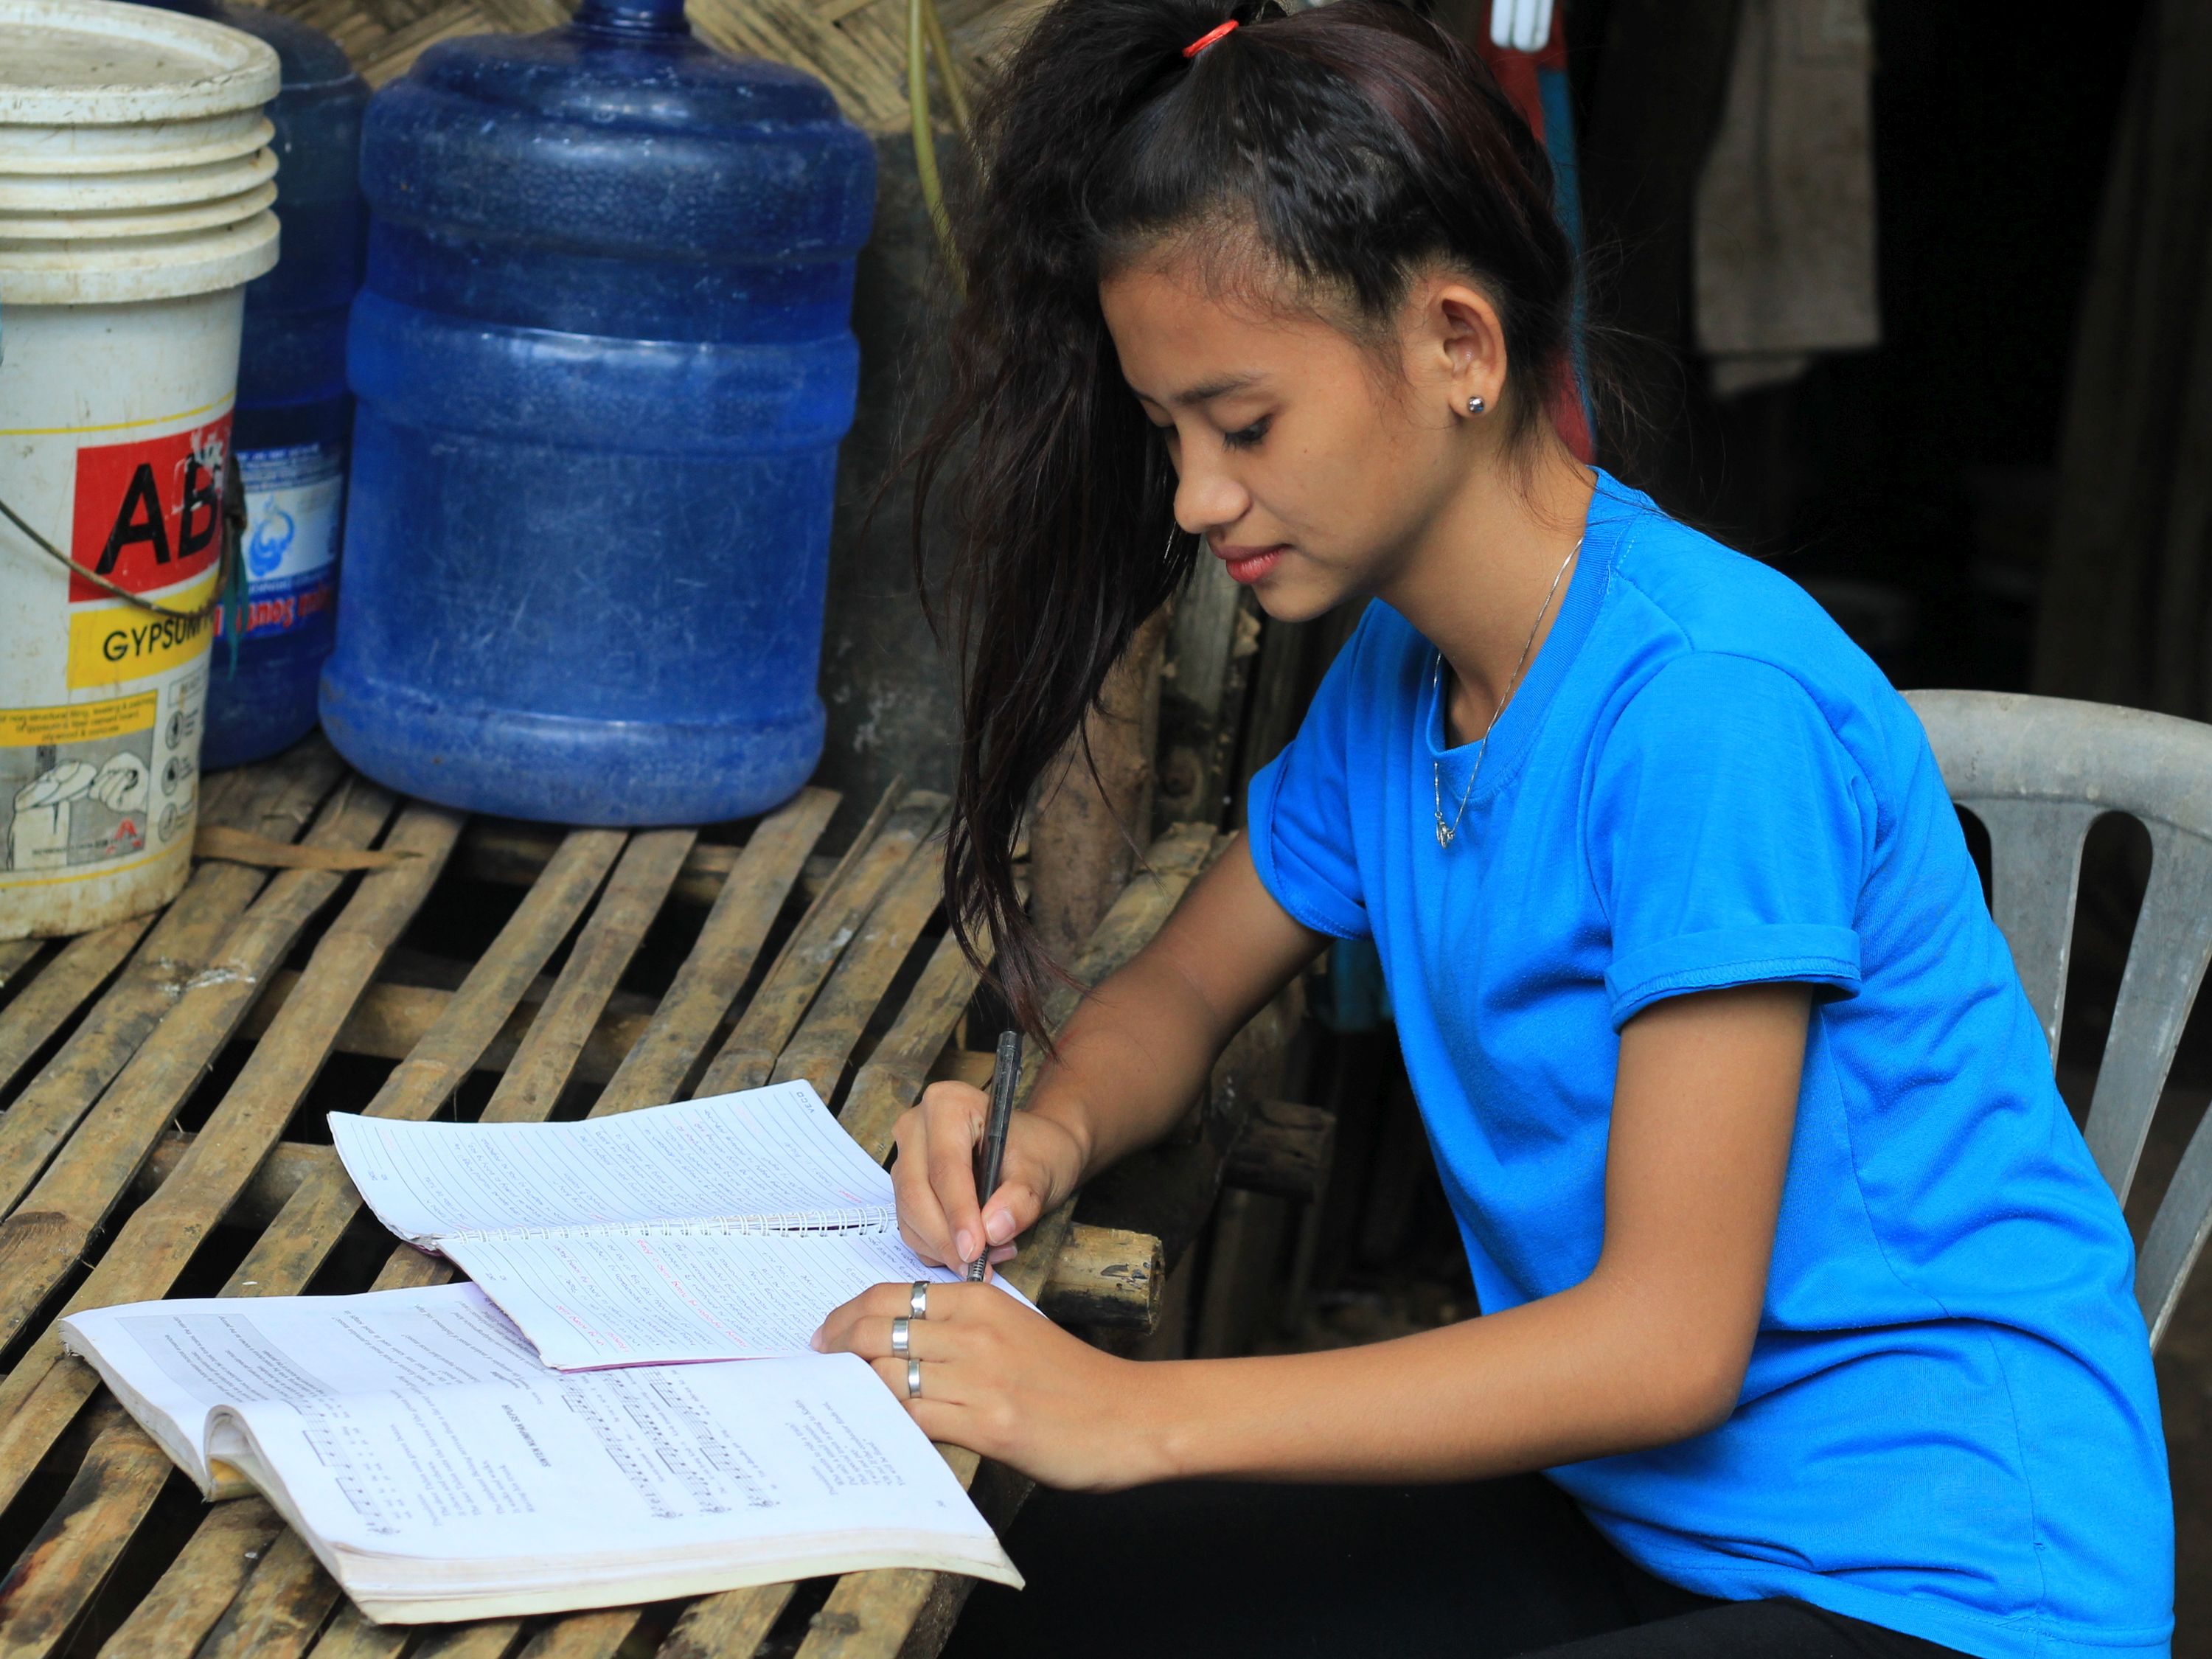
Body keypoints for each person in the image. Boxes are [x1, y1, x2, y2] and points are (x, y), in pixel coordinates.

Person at [810, 2, 2174, 1654]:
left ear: (1459, 345)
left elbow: (1668, 1344)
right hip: (1642, 1514)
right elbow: (1177, 992)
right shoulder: (1401, 681)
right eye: (1168, 435)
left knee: (1118, 1496)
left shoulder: (1704, 711)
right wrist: (1055, 1134)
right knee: (1060, 1604)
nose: (1191, 498)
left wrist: (1133, 1416)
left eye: (1242, 425)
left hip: (1938, 1580)